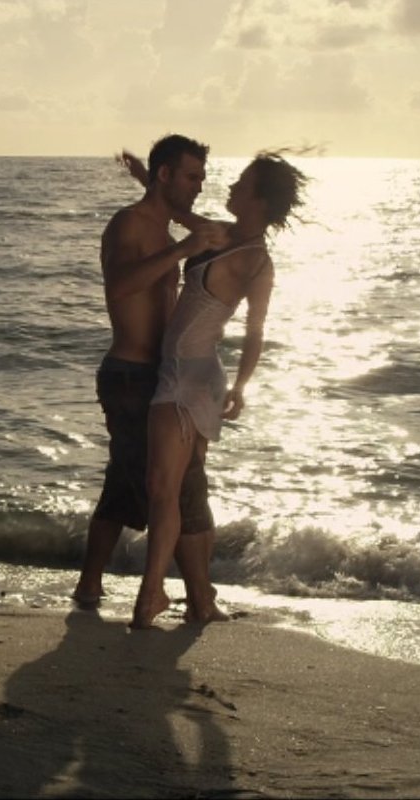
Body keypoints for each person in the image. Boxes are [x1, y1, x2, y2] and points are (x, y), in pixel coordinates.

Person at [131, 151, 306, 629]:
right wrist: (145, 176)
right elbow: (176, 211)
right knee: (175, 489)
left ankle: (152, 596)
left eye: (241, 183)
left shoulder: (257, 263)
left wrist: (243, 386)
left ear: (259, 199)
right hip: (175, 371)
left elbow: (255, 331)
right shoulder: (219, 234)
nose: (230, 187)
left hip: (194, 379)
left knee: (164, 487)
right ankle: (195, 596)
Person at [73, 134, 227, 622]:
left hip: (153, 376)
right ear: (167, 175)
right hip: (132, 376)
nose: (200, 186)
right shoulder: (130, 224)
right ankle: (200, 600)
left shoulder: (162, 224)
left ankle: (89, 583)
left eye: (202, 177)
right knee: (182, 489)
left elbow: (210, 231)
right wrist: (181, 249)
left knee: (124, 484)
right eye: (192, 177)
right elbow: (119, 286)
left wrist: (155, 188)